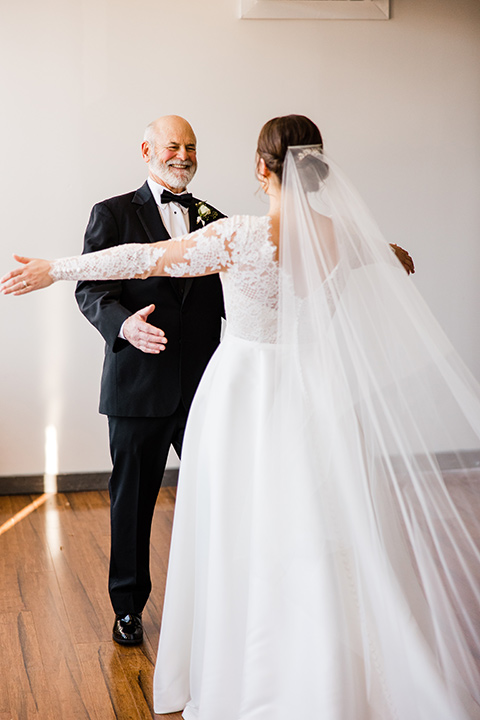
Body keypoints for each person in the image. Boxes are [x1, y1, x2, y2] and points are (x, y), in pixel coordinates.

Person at [2, 115, 480, 719]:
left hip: (243, 395)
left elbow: (140, 257)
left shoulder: (239, 235)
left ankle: (252, 665)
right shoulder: (342, 234)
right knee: (314, 521)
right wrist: (391, 253)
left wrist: (55, 267)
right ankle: (325, 665)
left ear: (261, 168)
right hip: (316, 394)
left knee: (238, 525)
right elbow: (381, 252)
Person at [75, 115, 225, 645]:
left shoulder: (216, 219)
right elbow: (91, 288)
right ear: (147, 149)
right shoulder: (112, 213)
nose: (183, 155)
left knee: (219, 492)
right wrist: (124, 327)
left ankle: (218, 598)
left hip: (207, 387)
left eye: (191, 147)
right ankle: (128, 607)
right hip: (137, 385)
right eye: (172, 146)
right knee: (134, 500)